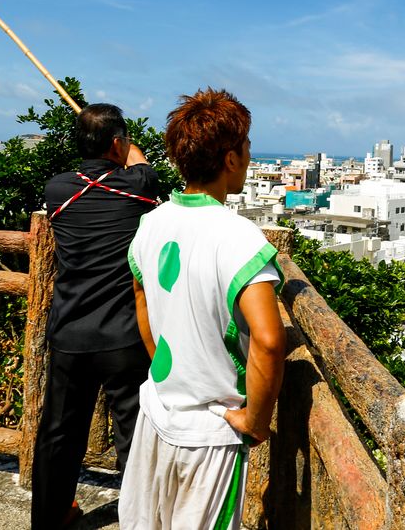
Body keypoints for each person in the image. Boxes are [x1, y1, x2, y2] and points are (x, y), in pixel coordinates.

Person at [119, 89, 285, 530]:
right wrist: (256, 420)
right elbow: (269, 340)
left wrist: (168, 369)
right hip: (211, 433)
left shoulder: (152, 222)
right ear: (230, 159)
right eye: (246, 147)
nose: (249, 157)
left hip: (156, 409)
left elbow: (141, 298)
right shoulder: (240, 237)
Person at [31, 103, 162, 529]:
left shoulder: (58, 189)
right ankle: (140, 520)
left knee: (58, 433)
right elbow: (142, 166)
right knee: (133, 436)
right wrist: (128, 147)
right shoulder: (138, 188)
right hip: (123, 333)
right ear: (117, 144)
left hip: (70, 330)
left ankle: (49, 520)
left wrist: (116, 143)